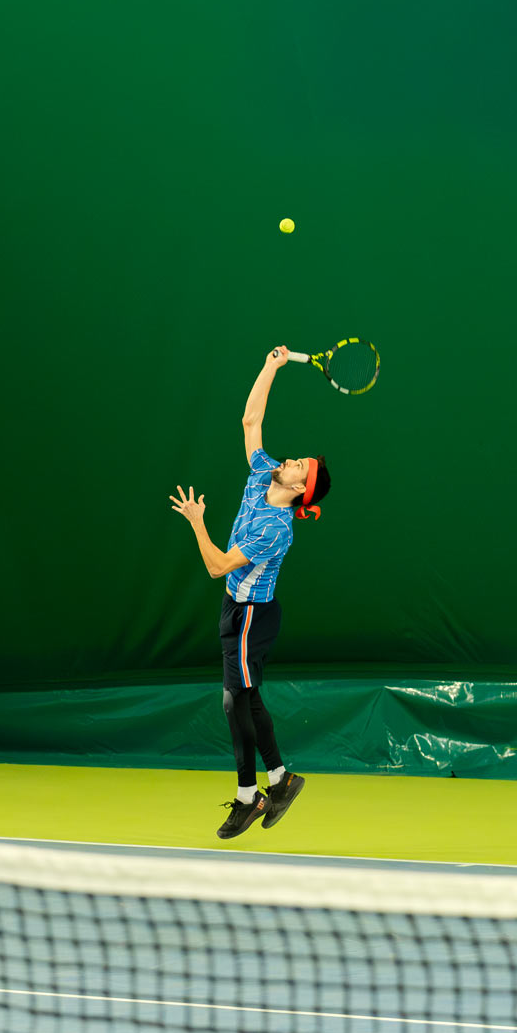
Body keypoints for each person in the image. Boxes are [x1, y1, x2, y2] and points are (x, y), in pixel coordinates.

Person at [170, 345, 331, 839]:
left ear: (300, 489)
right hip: (236, 610)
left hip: (251, 618)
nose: (292, 460)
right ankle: (279, 780)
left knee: (234, 701)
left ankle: (250, 796)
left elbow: (217, 565)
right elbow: (250, 420)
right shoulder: (263, 473)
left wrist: (197, 522)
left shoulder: (276, 529)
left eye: (300, 466)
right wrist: (271, 366)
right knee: (244, 698)